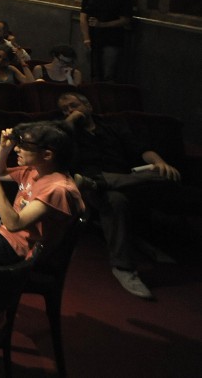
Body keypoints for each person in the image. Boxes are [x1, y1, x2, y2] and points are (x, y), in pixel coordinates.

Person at [59, 92, 198, 298]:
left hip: (124, 178)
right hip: (88, 190)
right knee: (114, 200)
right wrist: (69, 120)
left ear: (88, 106)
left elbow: (141, 149)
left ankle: (101, 182)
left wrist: (160, 162)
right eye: (65, 109)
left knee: (165, 175)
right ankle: (123, 269)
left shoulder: (113, 126)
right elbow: (54, 142)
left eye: (73, 106)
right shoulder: (69, 132)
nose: (70, 111)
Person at [0, 121, 84, 265]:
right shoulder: (34, 170)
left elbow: (14, 224)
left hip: (17, 251)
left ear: (47, 155)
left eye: (24, 146)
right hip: (4, 235)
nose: (17, 149)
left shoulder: (58, 189)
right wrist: (4, 148)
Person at [80, 0, 133, 82]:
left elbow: (125, 20)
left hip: (112, 40)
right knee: (94, 71)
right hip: (94, 39)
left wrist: (102, 25)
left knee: (109, 72)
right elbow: (83, 18)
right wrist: (86, 38)